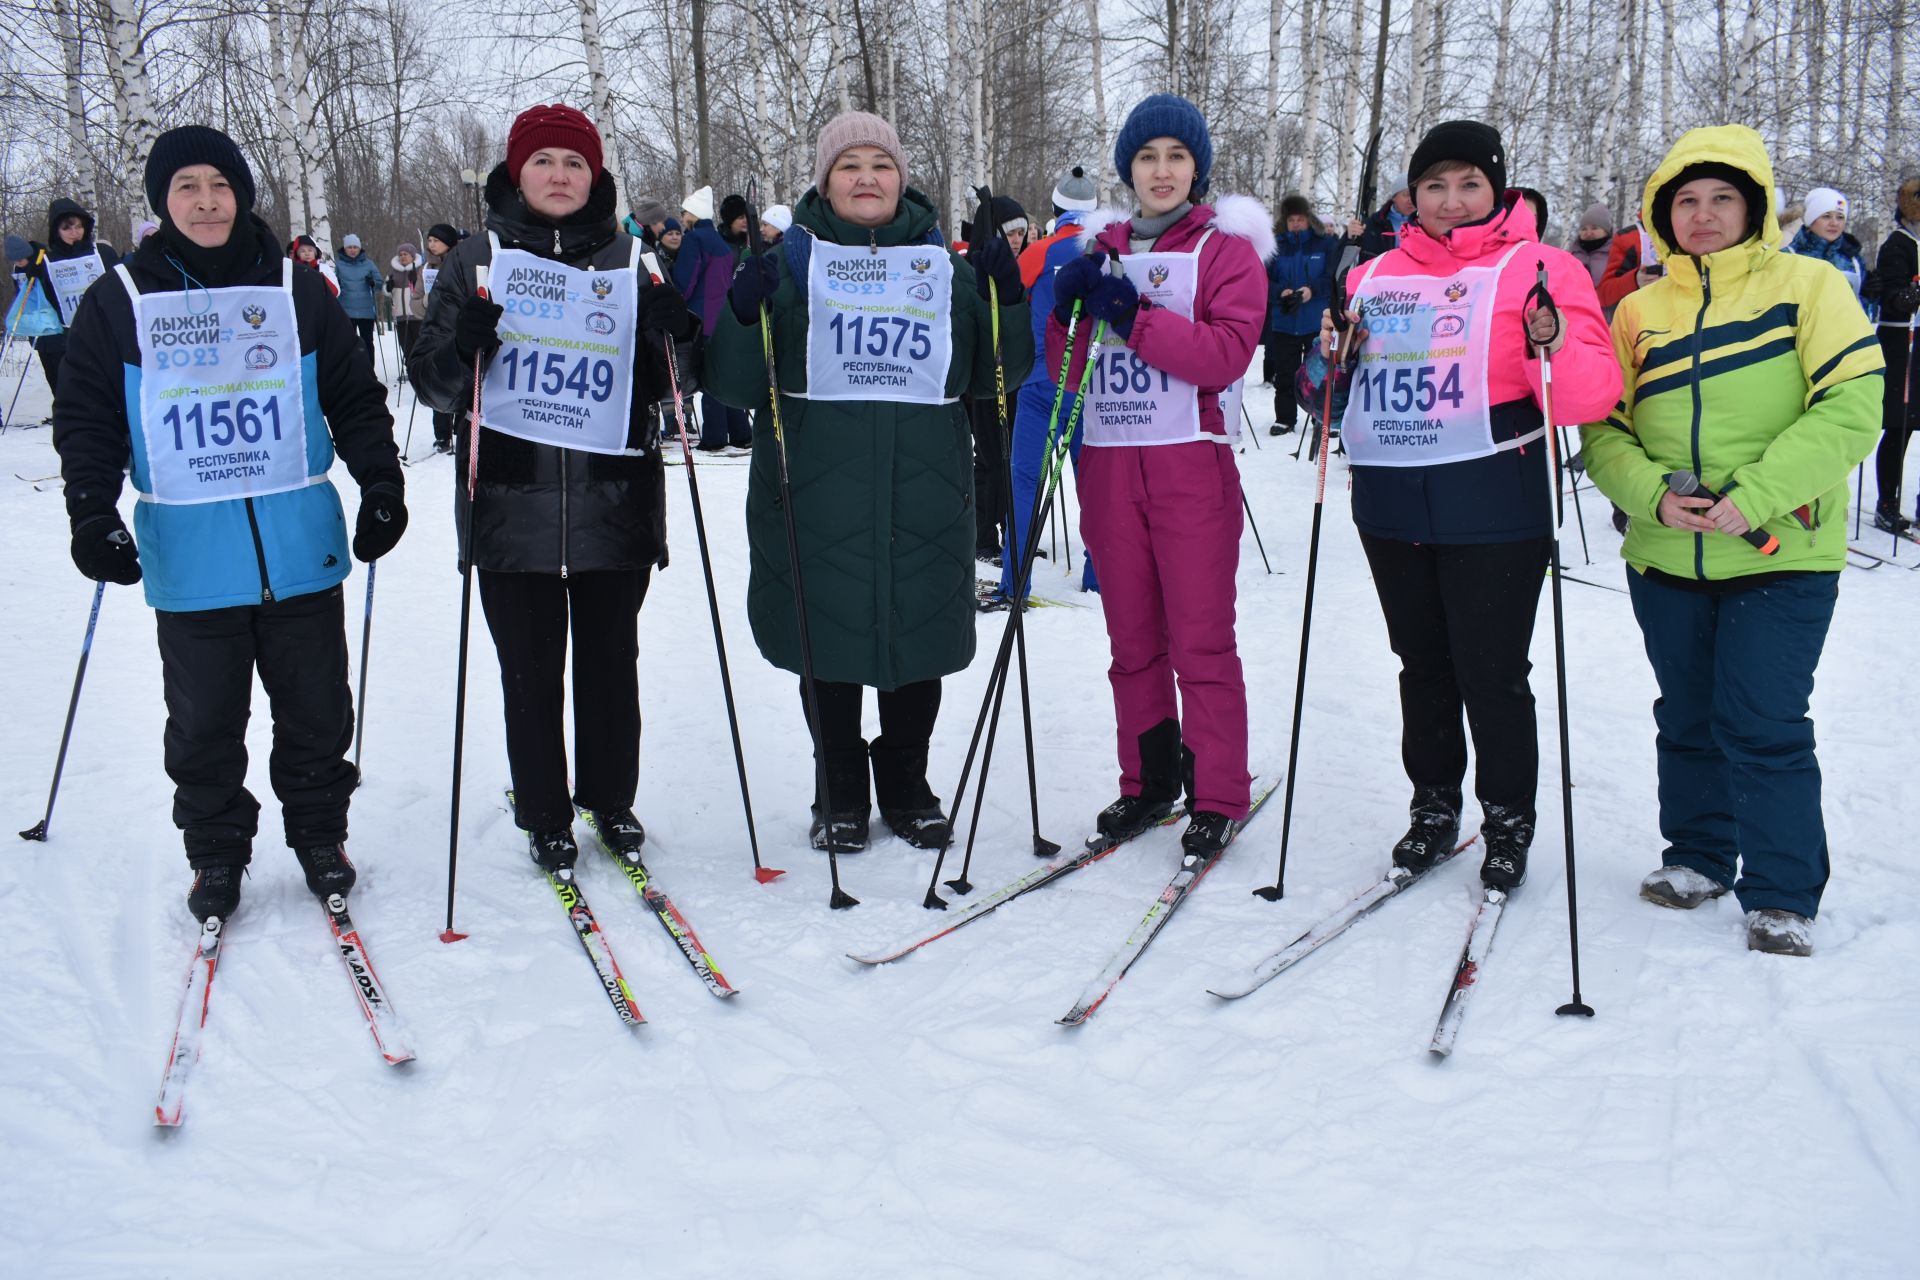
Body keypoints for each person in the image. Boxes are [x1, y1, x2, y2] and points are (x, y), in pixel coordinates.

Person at [51, 126, 407, 922]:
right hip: (190, 558)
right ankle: (216, 851)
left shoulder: (296, 288)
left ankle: (320, 833)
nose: (206, 201)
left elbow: (351, 397)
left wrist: (380, 482)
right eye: (186, 187)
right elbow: (87, 418)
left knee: (317, 711)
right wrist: (91, 513)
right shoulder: (121, 300)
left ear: (242, 193)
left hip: (300, 548)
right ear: (162, 202)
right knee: (206, 722)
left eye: (219, 184)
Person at [1581, 126, 1883, 957]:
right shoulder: (1638, 311)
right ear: (1662, 214)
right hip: (1668, 552)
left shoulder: (1811, 286)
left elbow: (1853, 409)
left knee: (1762, 718)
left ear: (1753, 206)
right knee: (1686, 715)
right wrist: (1650, 497)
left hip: (1780, 551)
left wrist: (1753, 498)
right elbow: (1603, 428)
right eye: (1686, 200)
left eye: (1722, 199)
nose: (1703, 215)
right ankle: (1700, 857)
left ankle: (1783, 891)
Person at [1308, 119, 1621, 889]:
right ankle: (1433, 804)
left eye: (1469, 184)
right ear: (1412, 195)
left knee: (1491, 671)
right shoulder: (1371, 275)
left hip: (1494, 504)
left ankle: (1507, 819)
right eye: (1435, 185)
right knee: (1423, 668)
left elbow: (1591, 392)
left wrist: (1545, 343)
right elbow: (1328, 395)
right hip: (1391, 505)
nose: (1451, 200)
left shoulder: (1539, 265)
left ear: (1498, 189)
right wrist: (1329, 359)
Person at [708, 109, 1032, 850]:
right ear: (825, 180)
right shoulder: (792, 266)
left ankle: (906, 780)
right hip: (815, 491)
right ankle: (840, 784)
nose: (866, 178)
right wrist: (740, 310)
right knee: (827, 638)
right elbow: (732, 384)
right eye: (849, 165)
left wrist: (1003, 300)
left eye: (880, 165)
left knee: (918, 632)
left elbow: (996, 379)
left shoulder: (945, 271)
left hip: (924, 489)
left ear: (902, 179)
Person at [409, 103, 698, 872]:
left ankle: (609, 798)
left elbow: (675, 384)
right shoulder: (475, 256)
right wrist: (459, 350)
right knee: (528, 670)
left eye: (575, 163)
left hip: (613, 502)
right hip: (509, 505)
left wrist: (677, 332)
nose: (560, 175)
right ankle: (543, 810)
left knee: (611, 662)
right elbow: (433, 386)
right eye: (544, 162)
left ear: (596, 174)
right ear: (516, 172)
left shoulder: (629, 258)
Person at [1046, 93, 1269, 857]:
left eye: (1177, 156)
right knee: (1132, 637)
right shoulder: (1098, 250)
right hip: (1110, 467)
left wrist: (1132, 315)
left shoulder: (1225, 252)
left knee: (1202, 638)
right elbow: (1064, 370)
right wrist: (1063, 310)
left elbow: (1224, 354)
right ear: (1128, 170)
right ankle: (1146, 782)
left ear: (1197, 169)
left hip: (1189, 467)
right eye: (1147, 157)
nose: (1162, 170)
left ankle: (1216, 792)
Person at [989, 164, 1103, 607]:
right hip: (1090, 388)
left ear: (1055, 209)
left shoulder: (1037, 254)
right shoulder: (1103, 251)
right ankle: (1098, 575)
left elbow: (1009, 310)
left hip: (1040, 384)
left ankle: (1015, 583)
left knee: (1025, 483)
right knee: (1091, 483)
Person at [965, 193, 1030, 561]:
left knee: (1012, 459)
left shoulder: (1022, 265)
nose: (1017, 238)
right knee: (989, 458)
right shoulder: (974, 266)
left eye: (1021, 230)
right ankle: (983, 536)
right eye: (1009, 231)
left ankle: (1013, 532)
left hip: (1018, 377)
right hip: (986, 385)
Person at [674, 184, 752, 451]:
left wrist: (676, 303)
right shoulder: (719, 241)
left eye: (684, 213)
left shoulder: (695, 240)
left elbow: (686, 279)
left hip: (702, 317)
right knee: (723, 376)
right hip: (724, 316)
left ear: (693, 214)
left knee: (708, 380)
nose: (682, 217)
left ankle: (714, 437)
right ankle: (741, 433)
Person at [1865, 176, 1920, 533]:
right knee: (1901, 425)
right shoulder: (1900, 244)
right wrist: (1908, 294)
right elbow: (1892, 299)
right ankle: (1888, 502)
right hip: (1905, 343)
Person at [29, 197, 118, 397]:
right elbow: (47, 299)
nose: (75, 233)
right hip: (69, 336)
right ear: (56, 231)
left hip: (105, 331)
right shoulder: (48, 262)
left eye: (79, 226)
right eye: (67, 228)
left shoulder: (101, 253)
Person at [1263, 192, 1336, 435]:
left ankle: (1320, 418)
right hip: (1284, 322)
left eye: (1300, 219)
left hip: (1316, 321)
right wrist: (1280, 293)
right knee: (1285, 373)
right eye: (1291, 219)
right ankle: (1284, 418)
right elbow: (1262, 280)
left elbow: (1332, 277)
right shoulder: (1273, 246)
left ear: (1308, 219)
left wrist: (1310, 291)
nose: (1296, 223)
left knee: (1319, 372)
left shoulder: (1324, 243)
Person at [1784, 187, 1869, 309]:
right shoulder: (1788, 257)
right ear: (1810, 220)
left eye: (1840, 217)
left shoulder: (1853, 261)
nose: (1834, 223)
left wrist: (1870, 298)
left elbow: (1862, 315)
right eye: (1826, 216)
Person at [334, 233, 382, 366]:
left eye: (355, 247)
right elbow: (333, 286)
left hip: (366, 310)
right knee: (349, 343)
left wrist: (373, 282)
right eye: (349, 247)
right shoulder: (339, 265)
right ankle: (352, 372)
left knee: (367, 342)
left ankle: (369, 371)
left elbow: (379, 283)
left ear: (360, 248)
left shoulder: (369, 264)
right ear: (344, 249)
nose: (353, 250)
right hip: (346, 311)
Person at [1345, 184, 1413, 262]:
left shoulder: (1426, 224)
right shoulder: (1371, 225)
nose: (1411, 200)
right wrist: (1348, 238)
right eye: (1407, 195)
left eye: (1414, 195)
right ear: (1394, 197)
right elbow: (1339, 262)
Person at [386, 242, 426, 367]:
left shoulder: (420, 270)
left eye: (406, 254)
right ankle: (411, 368)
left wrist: (416, 282)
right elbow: (388, 293)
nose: (403, 257)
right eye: (401, 254)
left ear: (413, 256)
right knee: (406, 345)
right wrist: (388, 287)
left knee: (419, 345)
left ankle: (422, 367)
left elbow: (426, 290)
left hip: (416, 315)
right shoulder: (393, 272)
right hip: (401, 316)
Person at [1568, 202, 1614, 285]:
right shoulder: (1570, 255)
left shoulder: (1616, 254)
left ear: (1606, 231)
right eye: (1584, 229)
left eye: (1594, 228)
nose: (1588, 233)